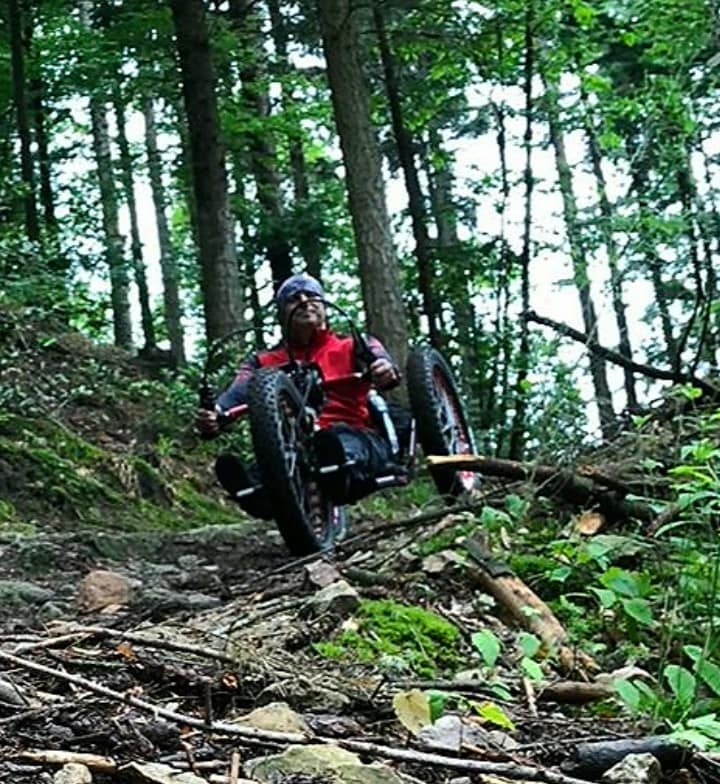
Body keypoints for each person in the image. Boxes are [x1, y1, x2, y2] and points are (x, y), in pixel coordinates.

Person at [195, 273, 402, 518]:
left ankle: (336, 472)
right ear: (283, 313)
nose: (304, 301)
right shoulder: (262, 361)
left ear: (325, 306)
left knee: (336, 443)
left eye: (312, 296)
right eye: (294, 299)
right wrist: (214, 415)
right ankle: (252, 491)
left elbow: (383, 363)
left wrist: (383, 370)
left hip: (354, 433)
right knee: (266, 470)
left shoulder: (353, 344)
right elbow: (234, 395)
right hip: (293, 446)